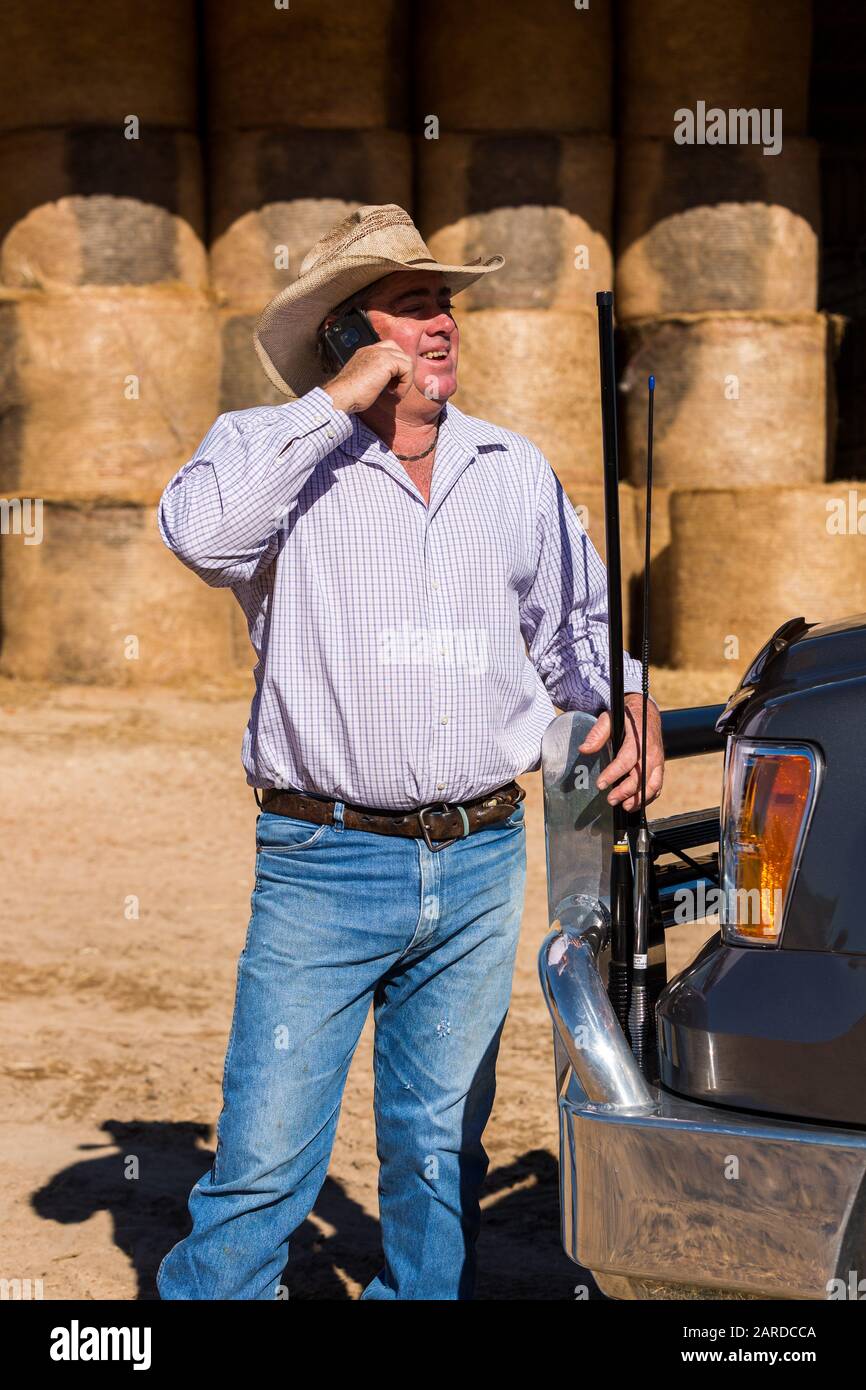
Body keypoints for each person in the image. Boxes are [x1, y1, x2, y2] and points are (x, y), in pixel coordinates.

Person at [154, 203, 664, 1300]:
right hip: (322, 861)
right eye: (411, 306)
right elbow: (200, 537)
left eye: (445, 305)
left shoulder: (511, 470)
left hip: (481, 859)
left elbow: (575, 638)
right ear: (345, 332)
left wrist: (628, 695)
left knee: (439, 1160)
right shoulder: (267, 452)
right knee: (263, 1164)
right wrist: (333, 403)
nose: (441, 326)